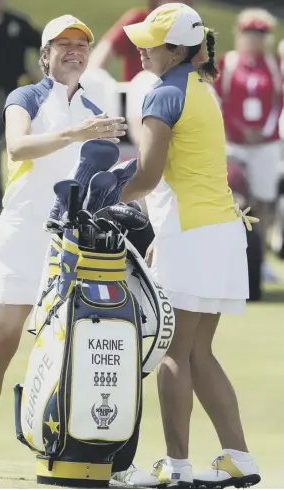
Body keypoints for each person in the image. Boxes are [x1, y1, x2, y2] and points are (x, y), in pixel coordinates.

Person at [0, 14, 128, 477]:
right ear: (45, 56)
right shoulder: (26, 96)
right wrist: (77, 135)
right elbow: (18, 147)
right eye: (62, 45)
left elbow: (104, 180)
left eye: (81, 45)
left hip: (70, 244)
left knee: (77, 349)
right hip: (21, 235)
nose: (73, 51)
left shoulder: (93, 109)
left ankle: (94, 454)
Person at [111, 4, 261, 488]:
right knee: (199, 352)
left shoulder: (163, 94)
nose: (140, 49)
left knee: (174, 353)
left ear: (176, 49)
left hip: (193, 233)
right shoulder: (199, 85)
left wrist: (106, 194)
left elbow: (148, 175)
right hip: (220, 232)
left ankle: (176, 466)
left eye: (149, 42)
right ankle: (238, 457)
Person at [214, 8, 283, 283]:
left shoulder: (274, 65)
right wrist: (239, 130)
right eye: (249, 34)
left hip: (265, 144)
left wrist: (263, 130)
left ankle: (261, 258)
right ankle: (231, 257)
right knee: (234, 199)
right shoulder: (229, 63)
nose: (255, 40)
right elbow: (219, 102)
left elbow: (278, 104)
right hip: (234, 143)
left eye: (260, 34)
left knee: (262, 202)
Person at [0, 0, 43, 225]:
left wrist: (36, 71)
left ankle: (21, 199)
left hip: (17, 95)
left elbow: (42, 44)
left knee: (19, 147)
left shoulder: (18, 23)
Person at [88, 0, 196, 81]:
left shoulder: (191, 35)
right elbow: (100, 56)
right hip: (134, 101)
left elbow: (200, 79)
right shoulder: (139, 21)